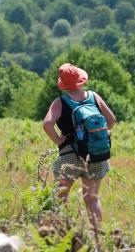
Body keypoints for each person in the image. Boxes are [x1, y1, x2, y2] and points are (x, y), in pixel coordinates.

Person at [43, 63, 116, 229]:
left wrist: (58, 140)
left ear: (63, 84)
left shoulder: (60, 102)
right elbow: (111, 121)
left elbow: (47, 124)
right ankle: (96, 235)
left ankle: (61, 233)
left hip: (71, 156)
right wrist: (98, 133)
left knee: (61, 196)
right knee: (92, 198)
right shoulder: (94, 96)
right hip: (97, 155)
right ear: (81, 80)